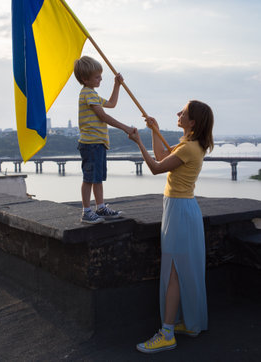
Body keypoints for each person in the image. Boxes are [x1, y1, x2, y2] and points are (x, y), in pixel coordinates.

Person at [128, 100, 214, 354]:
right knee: (183, 270)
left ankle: (167, 333)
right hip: (181, 208)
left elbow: (155, 168)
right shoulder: (190, 145)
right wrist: (155, 131)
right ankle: (187, 324)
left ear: (193, 122)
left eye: (183, 112)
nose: (178, 113)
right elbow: (163, 157)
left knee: (175, 272)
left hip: (179, 211)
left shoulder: (189, 148)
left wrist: (139, 142)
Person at [74, 55, 134, 224]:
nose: (100, 78)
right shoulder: (87, 94)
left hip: (98, 143)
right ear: (85, 79)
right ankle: (86, 211)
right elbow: (103, 116)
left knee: (97, 177)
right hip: (91, 143)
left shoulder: (92, 93)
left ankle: (100, 207)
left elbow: (111, 104)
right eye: (97, 76)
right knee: (89, 178)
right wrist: (126, 128)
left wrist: (117, 85)